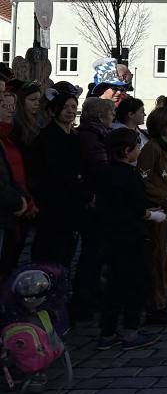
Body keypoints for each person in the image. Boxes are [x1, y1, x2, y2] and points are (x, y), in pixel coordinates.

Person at [97, 128, 160, 351]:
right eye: (137, 146)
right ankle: (131, 332)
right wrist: (152, 215)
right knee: (135, 285)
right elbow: (137, 207)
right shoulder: (129, 175)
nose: (139, 150)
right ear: (126, 150)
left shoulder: (105, 173)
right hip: (131, 236)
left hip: (110, 235)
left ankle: (107, 332)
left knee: (113, 286)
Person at [28, 86, 88, 267]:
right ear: (55, 110)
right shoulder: (49, 137)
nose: (70, 111)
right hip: (53, 205)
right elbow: (58, 172)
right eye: (65, 107)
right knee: (50, 254)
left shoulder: (73, 136)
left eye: (73, 107)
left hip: (70, 205)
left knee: (66, 255)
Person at [137, 106, 167, 324]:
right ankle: (155, 305)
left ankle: (162, 300)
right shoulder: (152, 149)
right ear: (163, 126)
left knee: (166, 256)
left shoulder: (166, 148)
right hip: (157, 211)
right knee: (157, 258)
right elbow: (143, 181)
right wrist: (165, 198)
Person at [73, 97, 114, 315]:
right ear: (100, 115)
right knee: (92, 252)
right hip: (93, 201)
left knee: (96, 251)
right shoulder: (91, 136)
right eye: (111, 113)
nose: (113, 116)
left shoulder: (97, 134)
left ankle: (91, 294)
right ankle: (84, 299)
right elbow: (100, 167)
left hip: (97, 199)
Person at [0, 87, 35, 279]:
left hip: (16, 207)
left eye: (12, 106)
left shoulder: (10, 137)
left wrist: (25, 199)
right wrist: (18, 202)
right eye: (4, 106)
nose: (10, 110)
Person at [12, 81, 43, 155]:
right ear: (21, 100)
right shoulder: (15, 124)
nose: (37, 103)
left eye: (38, 100)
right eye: (32, 99)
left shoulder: (39, 121)